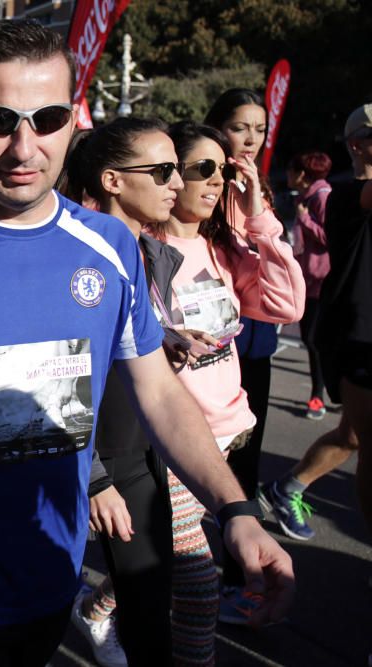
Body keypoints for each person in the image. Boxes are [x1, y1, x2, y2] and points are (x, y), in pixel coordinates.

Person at [0, 19, 294, 666]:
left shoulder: (109, 248)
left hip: (54, 574)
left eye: (46, 118)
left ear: (73, 122)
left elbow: (159, 392)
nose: (24, 146)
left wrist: (237, 506)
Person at [149, 121, 303, 657]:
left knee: (164, 559)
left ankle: (97, 608)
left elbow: (286, 306)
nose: (216, 181)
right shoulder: (141, 250)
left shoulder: (223, 251)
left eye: (225, 170)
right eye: (203, 169)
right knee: (196, 580)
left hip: (224, 438)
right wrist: (161, 336)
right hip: (167, 443)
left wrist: (258, 214)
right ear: (171, 175)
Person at [62, 117, 185, 667]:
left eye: (177, 169)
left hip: (145, 448)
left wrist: (169, 342)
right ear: (112, 180)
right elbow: (43, 370)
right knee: (23, 619)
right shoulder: (70, 254)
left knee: (153, 610)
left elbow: (133, 347)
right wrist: (93, 478)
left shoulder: (151, 254)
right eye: (162, 171)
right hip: (89, 460)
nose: (176, 183)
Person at [202, 89, 304, 623]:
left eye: (258, 129)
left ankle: (234, 576)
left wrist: (258, 208)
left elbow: (284, 297)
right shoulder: (200, 188)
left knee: (243, 462)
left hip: (253, 343)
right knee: (193, 468)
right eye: (239, 127)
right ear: (216, 128)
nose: (248, 139)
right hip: (201, 353)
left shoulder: (255, 199)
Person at [260, 104, 372, 542]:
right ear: (358, 145)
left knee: (352, 437)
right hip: (356, 334)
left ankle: (287, 486)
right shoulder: (344, 194)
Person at [287, 152, 333, 419]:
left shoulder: (322, 196)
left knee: (315, 340)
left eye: (292, 171)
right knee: (311, 338)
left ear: (302, 174)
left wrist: (305, 219)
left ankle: (319, 396)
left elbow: (330, 237)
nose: (289, 176)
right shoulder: (308, 198)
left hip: (322, 280)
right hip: (309, 279)